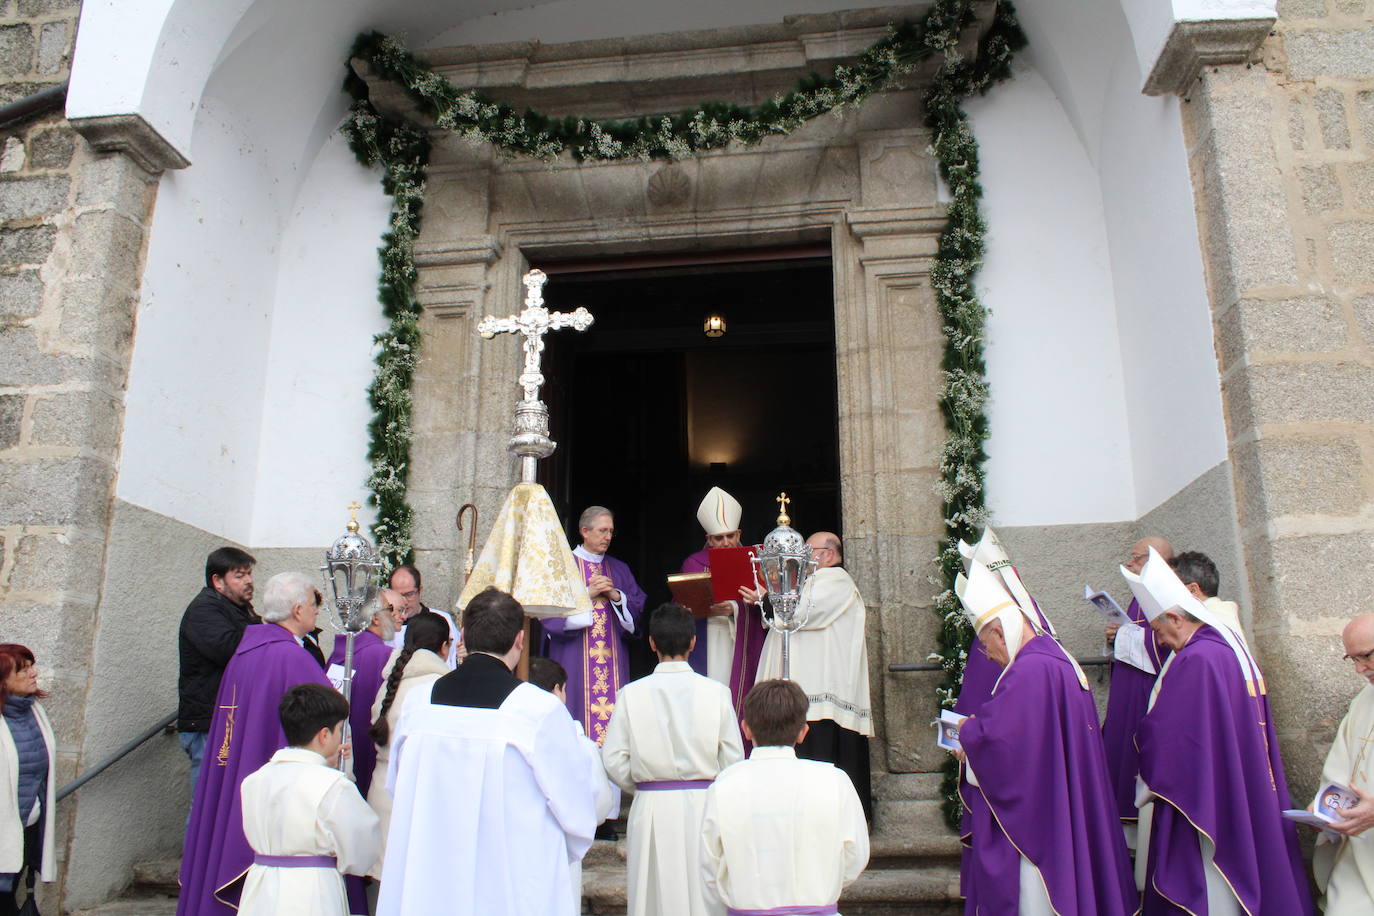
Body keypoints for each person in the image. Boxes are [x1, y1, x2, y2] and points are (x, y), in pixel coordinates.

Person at [377, 587, 602, 916]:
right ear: (520, 641)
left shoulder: (419, 703)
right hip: (508, 878)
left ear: (463, 636)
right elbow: (576, 809)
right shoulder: (538, 710)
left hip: (431, 872)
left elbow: (399, 788)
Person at [1127, 548, 1313, 915]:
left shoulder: (1197, 659)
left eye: (1158, 630)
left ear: (1175, 618)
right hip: (1230, 788)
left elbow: (1172, 736)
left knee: (1211, 887)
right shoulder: (1220, 649)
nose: (1161, 641)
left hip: (1206, 799)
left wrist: (1143, 745)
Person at [952, 559, 1136, 915]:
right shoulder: (1051, 657)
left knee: (1037, 898)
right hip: (1060, 800)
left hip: (1042, 819)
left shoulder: (1029, 670)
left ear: (1001, 632)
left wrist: (967, 734)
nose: (987, 655)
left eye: (986, 644)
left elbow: (1004, 745)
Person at [177, 572, 334, 916]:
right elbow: (329, 713)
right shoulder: (292, 658)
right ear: (296, 610)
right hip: (268, 778)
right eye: (312, 605)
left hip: (234, 766)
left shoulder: (245, 652)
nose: (316, 613)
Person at [602, 604, 743, 916]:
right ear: (693, 642)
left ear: (651, 643)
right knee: (705, 894)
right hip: (705, 803)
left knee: (653, 896)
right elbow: (733, 758)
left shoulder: (631, 693)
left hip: (652, 804)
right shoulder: (716, 692)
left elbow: (612, 758)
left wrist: (642, 781)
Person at [700, 679, 868, 915]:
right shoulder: (834, 781)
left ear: (746, 729)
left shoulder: (725, 785)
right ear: (803, 732)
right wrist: (820, 886)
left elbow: (710, 865)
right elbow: (855, 857)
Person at [754, 531, 873, 820]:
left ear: (829, 555)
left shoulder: (836, 581)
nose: (802, 557)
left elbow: (802, 614)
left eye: (809, 550)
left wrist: (767, 598)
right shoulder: (811, 582)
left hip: (823, 694)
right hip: (808, 691)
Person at [237, 684, 381, 916]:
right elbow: (362, 850)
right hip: (314, 891)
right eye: (339, 731)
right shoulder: (334, 785)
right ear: (324, 735)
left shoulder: (254, 780)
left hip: (261, 887)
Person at [541, 506, 646, 744]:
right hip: (573, 658)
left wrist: (615, 596)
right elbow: (547, 613)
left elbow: (637, 613)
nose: (608, 537)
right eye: (602, 531)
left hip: (612, 660)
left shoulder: (619, 569)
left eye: (610, 531)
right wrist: (587, 594)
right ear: (584, 531)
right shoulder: (561, 566)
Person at [528, 656, 622, 916]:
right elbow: (600, 802)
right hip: (560, 844)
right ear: (557, 690)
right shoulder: (578, 742)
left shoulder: (508, 732)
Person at [366, 611, 450, 873]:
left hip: (382, 796)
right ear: (444, 647)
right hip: (417, 804)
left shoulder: (390, 681)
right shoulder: (440, 687)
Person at [1100, 534, 1172, 840]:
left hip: (1146, 694)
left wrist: (1124, 636)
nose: (1129, 563)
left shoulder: (1165, 593)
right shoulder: (1140, 592)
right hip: (1127, 688)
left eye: (1136, 557)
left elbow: (1163, 645)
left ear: (1157, 561)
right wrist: (1114, 635)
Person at [178, 546, 260, 798]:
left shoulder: (239, 610)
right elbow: (231, 650)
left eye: (249, 574)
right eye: (239, 575)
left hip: (226, 719)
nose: (248, 581)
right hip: (209, 723)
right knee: (207, 802)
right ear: (218, 581)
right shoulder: (205, 610)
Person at [680, 487, 763, 712]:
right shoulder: (693, 564)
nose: (725, 542)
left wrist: (736, 608)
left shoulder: (754, 562)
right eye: (718, 538)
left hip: (741, 638)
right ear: (708, 539)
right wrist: (694, 607)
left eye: (730, 536)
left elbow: (766, 609)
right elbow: (680, 609)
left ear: (739, 534)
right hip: (706, 637)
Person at [1314, 612, 1374, 913]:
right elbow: (1340, 766)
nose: (1360, 669)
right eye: (1352, 660)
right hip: (1358, 851)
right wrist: (1325, 810)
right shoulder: (1364, 701)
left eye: (1365, 657)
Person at [0, 646, 54, 916]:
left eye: (32, 665)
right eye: (23, 669)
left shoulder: (33, 712)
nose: (34, 673)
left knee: (9, 892)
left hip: (25, 828)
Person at [324, 598, 396, 800]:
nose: (393, 615)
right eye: (389, 609)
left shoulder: (340, 653)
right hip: (369, 751)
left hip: (336, 749)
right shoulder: (383, 655)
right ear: (375, 618)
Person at [388, 565, 461, 667]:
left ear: (420, 590)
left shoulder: (442, 619)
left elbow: (454, 657)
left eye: (409, 594)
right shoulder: (387, 625)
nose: (404, 601)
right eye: (399, 595)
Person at [1169, 550, 1243, 635]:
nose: (1168, 594)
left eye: (1171, 587)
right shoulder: (1222, 615)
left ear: (1193, 590)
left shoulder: (1209, 626)